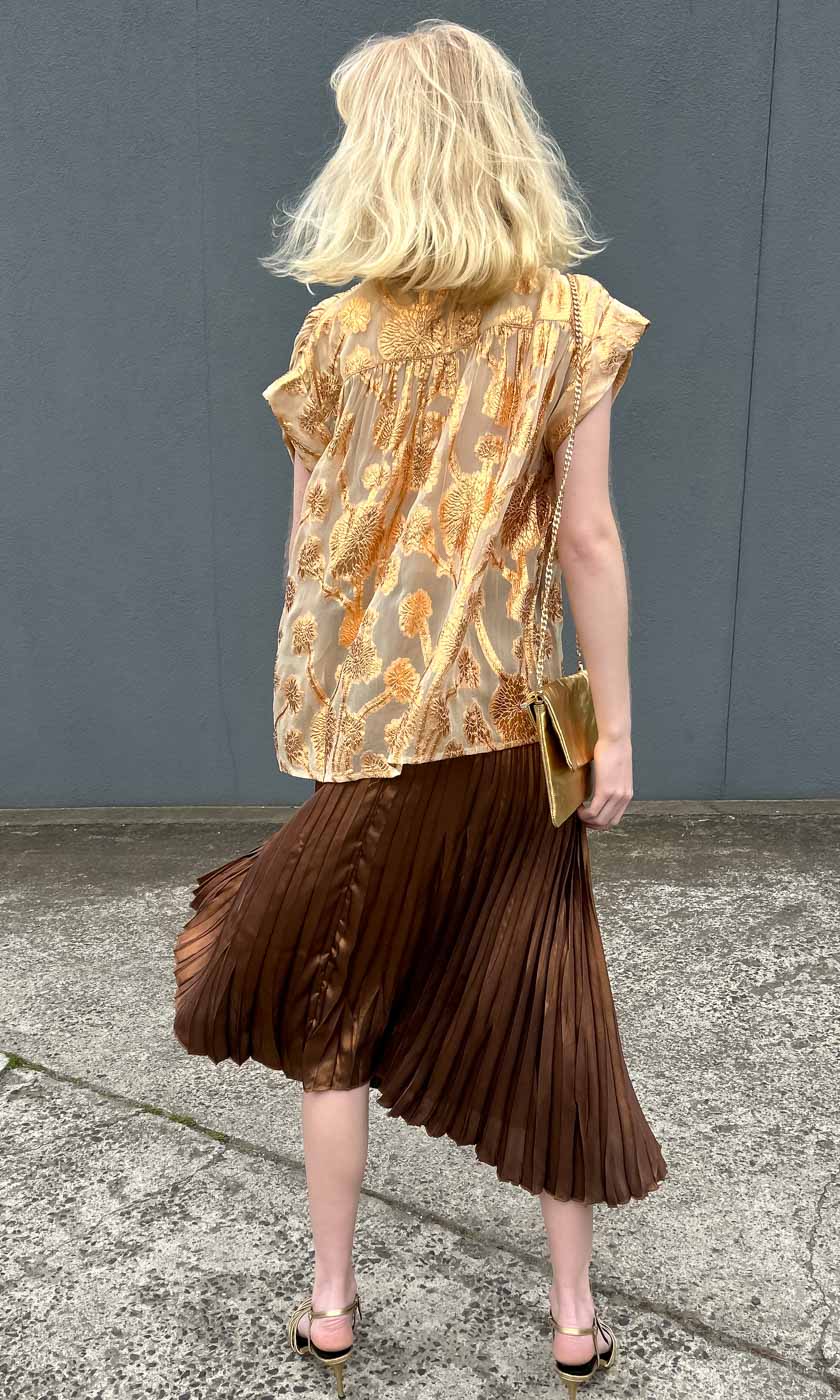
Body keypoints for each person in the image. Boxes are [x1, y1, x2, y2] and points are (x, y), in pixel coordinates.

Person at [173, 18, 667, 1398]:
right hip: (511, 737)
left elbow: (311, 558)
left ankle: (332, 1304)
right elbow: (589, 538)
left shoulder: (335, 336)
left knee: (332, 1010)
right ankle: (573, 1320)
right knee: (546, 997)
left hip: (379, 745)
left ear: (381, 159)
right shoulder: (570, 320)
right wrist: (614, 734)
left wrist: (322, 713)